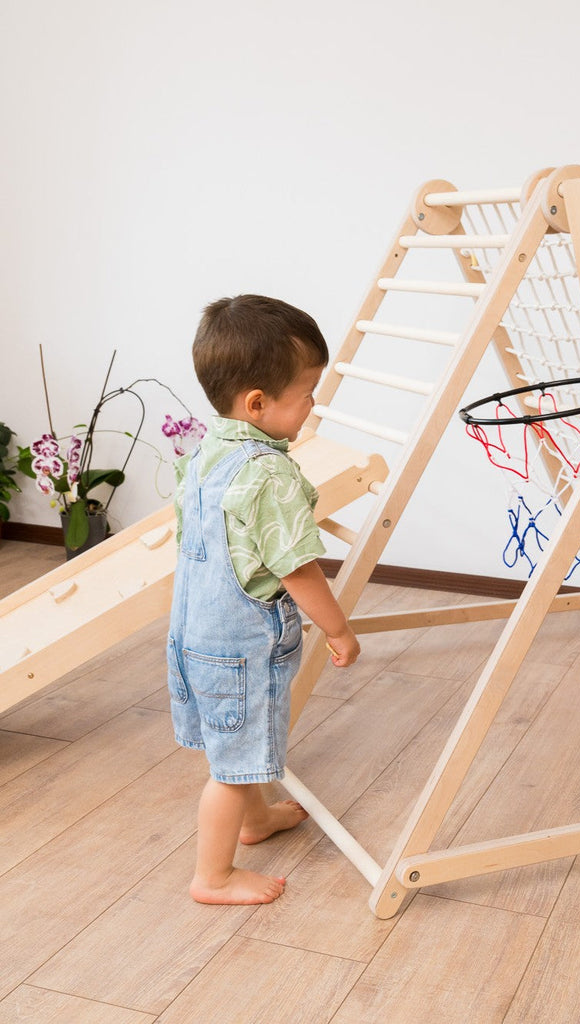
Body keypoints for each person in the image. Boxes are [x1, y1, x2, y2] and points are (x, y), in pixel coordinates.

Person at [167, 294, 360, 905]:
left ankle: (256, 821)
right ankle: (212, 876)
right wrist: (338, 629)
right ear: (258, 403)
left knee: (237, 743)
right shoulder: (269, 475)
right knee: (231, 766)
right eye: (307, 393)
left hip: (193, 633)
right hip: (240, 645)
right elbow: (298, 569)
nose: (313, 404)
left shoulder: (204, 455)